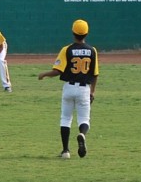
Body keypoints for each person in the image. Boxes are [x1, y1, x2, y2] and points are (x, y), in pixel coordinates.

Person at [38, 19, 99, 159]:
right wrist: (93, 91)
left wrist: (44, 74)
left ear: (73, 32)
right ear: (86, 33)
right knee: (84, 119)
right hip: (84, 89)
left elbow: (58, 71)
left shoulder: (67, 50)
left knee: (65, 119)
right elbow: (95, 74)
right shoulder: (92, 51)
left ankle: (65, 151)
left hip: (69, 88)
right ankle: (82, 134)